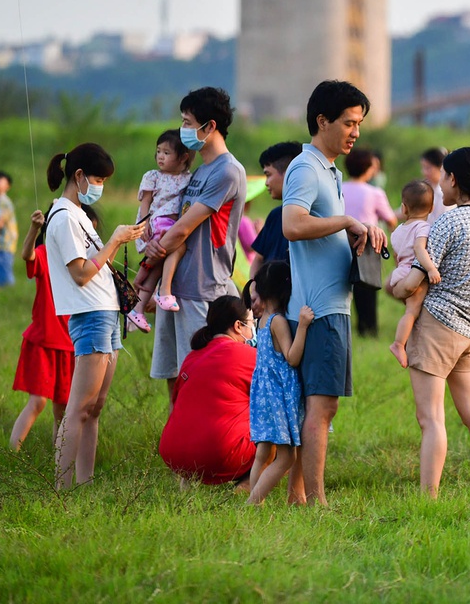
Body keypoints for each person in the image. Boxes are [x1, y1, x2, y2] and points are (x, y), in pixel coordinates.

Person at [283, 80, 387, 506]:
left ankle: (297, 496)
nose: (355, 132)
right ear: (322, 121)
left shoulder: (329, 170)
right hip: (319, 309)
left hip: (332, 306)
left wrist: (359, 235)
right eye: (348, 122)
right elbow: (293, 224)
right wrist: (346, 222)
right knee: (321, 408)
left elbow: (317, 231)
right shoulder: (306, 169)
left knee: (320, 407)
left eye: (359, 123)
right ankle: (316, 502)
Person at [391, 147, 470, 498]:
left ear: (454, 179)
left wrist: (392, 285)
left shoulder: (448, 221)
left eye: (443, 176)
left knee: (431, 420)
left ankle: (429, 497)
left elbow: (414, 282)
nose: (440, 184)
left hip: (436, 327)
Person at [43, 144, 146, 489]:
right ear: (79, 176)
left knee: (95, 407)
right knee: (78, 408)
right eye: (98, 179)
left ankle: (84, 484)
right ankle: (62, 486)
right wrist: (116, 240)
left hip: (106, 313)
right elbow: (82, 273)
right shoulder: (64, 218)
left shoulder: (80, 215)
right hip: (91, 316)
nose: (100, 186)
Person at [145, 87, 247, 405]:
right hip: (175, 289)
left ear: (210, 127)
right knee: (175, 376)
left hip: (203, 287)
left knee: (200, 378)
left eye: (188, 122)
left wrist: (153, 251)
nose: (183, 130)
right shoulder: (199, 171)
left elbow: (183, 229)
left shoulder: (228, 171)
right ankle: (179, 444)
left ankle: (200, 449)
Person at [157, 294, 257, 486]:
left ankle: (188, 484)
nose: (252, 332)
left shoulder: (192, 356)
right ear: (238, 326)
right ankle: (245, 489)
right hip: (218, 455)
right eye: (251, 325)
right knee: (282, 432)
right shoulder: (251, 356)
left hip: (173, 454)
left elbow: (175, 402)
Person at [9, 207, 86, 450]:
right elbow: (27, 255)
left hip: (69, 344)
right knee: (38, 402)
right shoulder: (45, 254)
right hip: (43, 342)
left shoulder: (79, 262)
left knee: (63, 408)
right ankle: (13, 454)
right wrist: (34, 228)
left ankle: (58, 458)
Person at [247, 262, 312, 506]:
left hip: (262, 396)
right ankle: (253, 503)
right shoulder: (278, 321)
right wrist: (303, 326)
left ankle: (257, 505)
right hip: (277, 398)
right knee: (286, 457)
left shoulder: (262, 320)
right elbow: (292, 357)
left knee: (263, 453)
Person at [126, 130, 194, 333]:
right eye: (158, 152)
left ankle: (138, 308)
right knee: (176, 249)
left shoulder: (187, 178)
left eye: (167, 152)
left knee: (158, 263)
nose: (160, 157)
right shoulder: (153, 176)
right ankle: (163, 291)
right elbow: (145, 202)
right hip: (157, 223)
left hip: (171, 226)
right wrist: (145, 223)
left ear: (183, 158)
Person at [343, 148, 398, 337]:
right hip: (366, 246)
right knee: (366, 292)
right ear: (367, 169)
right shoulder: (374, 193)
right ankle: (367, 330)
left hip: (339, 242)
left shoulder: (338, 188)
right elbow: (391, 219)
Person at [386, 180, 441, 368]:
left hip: (399, 272)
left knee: (410, 311)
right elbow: (419, 249)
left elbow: (396, 255)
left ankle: (405, 339)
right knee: (412, 311)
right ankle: (398, 344)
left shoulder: (398, 231)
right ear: (432, 207)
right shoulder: (423, 228)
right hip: (412, 273)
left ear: (403, 208)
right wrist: (431, 268)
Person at [249, 142, 302, 278]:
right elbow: (258, 259)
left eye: (268, 175)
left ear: (289, 173)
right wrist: (253, 288)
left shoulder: (310, 217)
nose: (266, 183)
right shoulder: (275, 215)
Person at [421, 147, 452, 224]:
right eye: (423, 167)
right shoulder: (424, 186)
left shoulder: (443, 192)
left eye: (428, 168)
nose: (424, 172)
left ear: (441, 167)